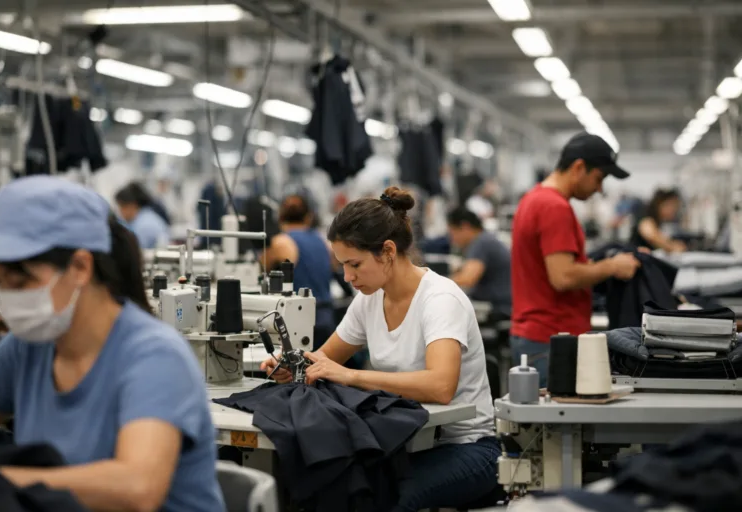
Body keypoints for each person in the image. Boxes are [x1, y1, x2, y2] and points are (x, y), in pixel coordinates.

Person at [0, 177, 224, 512]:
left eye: (20, 281)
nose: (7, 298)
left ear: (80, 267)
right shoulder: (28, 347)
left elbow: (137, 490)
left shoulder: (155, 356)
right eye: (0, 283)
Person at [261, 187, 499, 512]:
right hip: (405, 441)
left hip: (467, 447)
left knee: (383, 498)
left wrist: (351, 375)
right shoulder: (369, 300)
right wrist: (294, 365)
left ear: (387, 251)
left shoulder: (440, 300)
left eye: (355, 264)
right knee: (328, 483)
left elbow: (441, 387)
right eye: (343, 265)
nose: (347, 277)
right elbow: (325, 359)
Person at [511, 133, 641, 387]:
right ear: (579, 167)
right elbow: (563, 276)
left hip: (537, 335)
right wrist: (612, 266)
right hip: (550, 338)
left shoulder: (534, 198)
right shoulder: (554, 207)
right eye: (599, 178)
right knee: (556, 423)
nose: (600, 188)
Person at [263, 194, 336, 350]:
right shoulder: (323, 241)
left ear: (280, 216)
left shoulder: (281, 242)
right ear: (309, 217)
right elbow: (334, 269)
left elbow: (261, 269)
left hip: (299, 321)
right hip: (325, 318)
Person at [447, 206, 512, 318]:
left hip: (498, 308)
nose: (452, 239)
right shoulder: (485, 239)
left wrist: (437, 282)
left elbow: (467, 279)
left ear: (465, 227)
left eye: (453, 233)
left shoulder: (481, 243)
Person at [115, 182, 171, 249]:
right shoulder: (143, 216)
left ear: (132, 205)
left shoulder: (144, 225)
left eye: (122, 207)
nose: (120, 211)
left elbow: (136, 252)